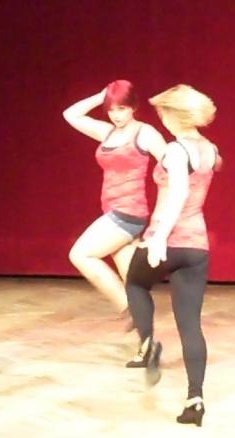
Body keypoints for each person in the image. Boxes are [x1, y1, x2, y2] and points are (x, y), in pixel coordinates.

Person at [124, 84, 221, 427]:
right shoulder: (209, 149)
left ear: (172, 114)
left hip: (168, 237)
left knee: (135, 283)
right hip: (196, 244)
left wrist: (159, 238)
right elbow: (208, 174)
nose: (160, 118)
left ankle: (148, 343)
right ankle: (195, 398)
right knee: (190, 324)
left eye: (162, 112)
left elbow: (178, 193)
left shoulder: (176, 151)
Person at [63, 80, 166, 322]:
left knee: (81, 255)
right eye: (111, 110)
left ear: (134, 107)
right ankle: (145, 330)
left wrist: (161, 216)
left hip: (128, 213)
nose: (116, 115)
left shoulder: (145, 133)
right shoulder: (106, 132)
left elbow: (170, 166)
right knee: (132, 278)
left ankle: (128, 308)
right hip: (112, 210)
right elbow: (70, 115)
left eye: (122, 108)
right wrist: (100, 97)